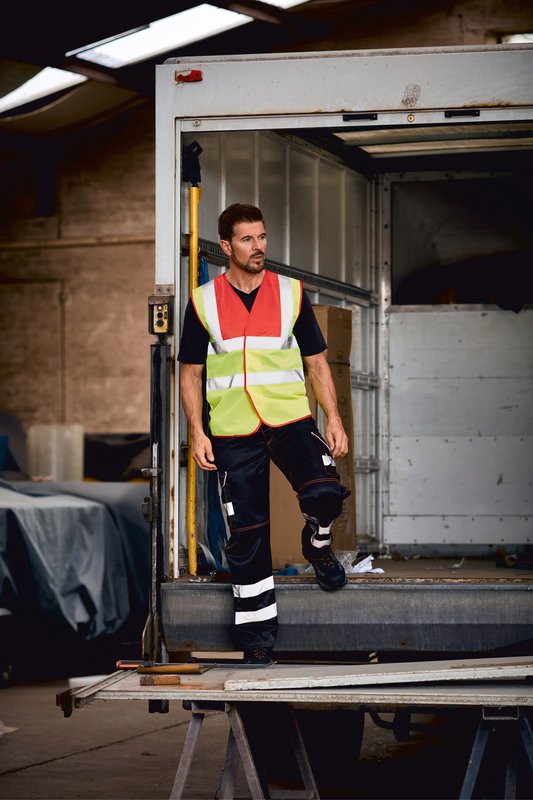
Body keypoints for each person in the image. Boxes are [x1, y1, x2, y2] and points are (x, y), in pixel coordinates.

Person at [178, 203, 350, 665]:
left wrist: (333, 419)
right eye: (248, 239)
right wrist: (197, 432)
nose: (258, 247)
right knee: (247, 535)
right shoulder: (203, 302)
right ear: (226, 246)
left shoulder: (291, 293)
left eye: (262, 237)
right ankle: (257, 639)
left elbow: (317, 363)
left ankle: (318, 547)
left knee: (325, 493)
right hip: (233, 430)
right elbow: (190, 374)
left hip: (290, 419)